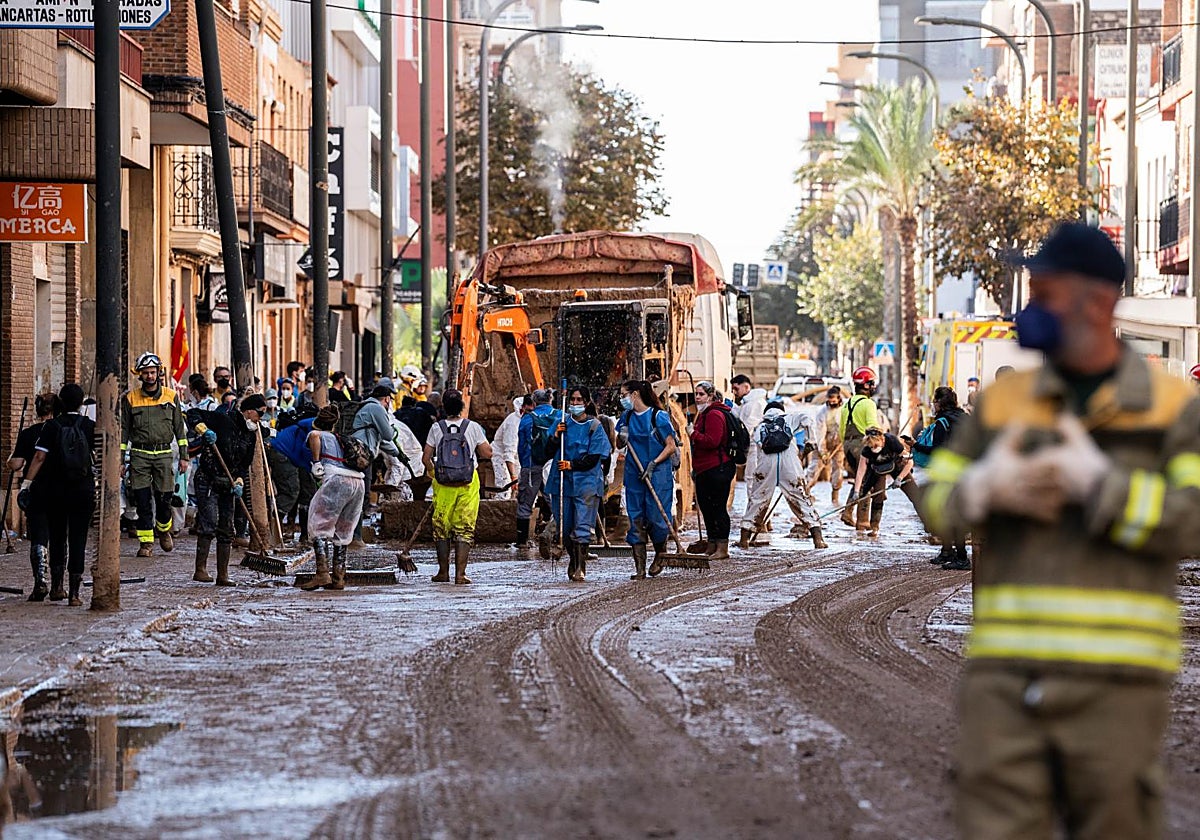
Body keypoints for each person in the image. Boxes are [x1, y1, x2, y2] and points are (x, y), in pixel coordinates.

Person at [916, 222, 1200, 837]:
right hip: (1006, 682)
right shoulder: (1003, 406)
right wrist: (983, 488)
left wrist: (1105, 488)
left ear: (1098, 302)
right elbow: (935, 503)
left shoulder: (1172, 409)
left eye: (1045, 293)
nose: (1029, 310)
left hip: (1118, 688)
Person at [17, 384, 96, 606]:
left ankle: (56, 587)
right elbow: (99, 456)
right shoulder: (91, 426)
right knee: (79, 538)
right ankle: (75, 594)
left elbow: (39, 458)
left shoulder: (51, 426)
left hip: (56, 491)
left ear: (61, 401)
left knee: (58, 537)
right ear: (81, 403)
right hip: (83, 490)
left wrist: (27, 484)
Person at [186, 394, 267, 585]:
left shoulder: (250, 435)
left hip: (228, 483)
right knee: (209, 524)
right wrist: (202, 429)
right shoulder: (223, 419)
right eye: (259, 414)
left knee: (227, 528)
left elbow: (243, 464)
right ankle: (201, 570)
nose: (260, 419)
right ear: (248, 411)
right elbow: (192, 413)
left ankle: (223, 575)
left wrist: (239, 481)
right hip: (208, 478)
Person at [123, 352, 189, 557]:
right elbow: (124, 430)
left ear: (159, 373)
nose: (150, 376)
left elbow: (180, 428)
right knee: (142, 501)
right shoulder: (131, 398)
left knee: (164, 499)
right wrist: (120, 458)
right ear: (140, 375)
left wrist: (184, 456)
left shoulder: (171, 396)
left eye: (153, 372)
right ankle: (146, 543)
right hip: (139, 455)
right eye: (146, 373)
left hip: (163, 454)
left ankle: (163, 530)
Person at [423, 390, 492, 584]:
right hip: (468, 483)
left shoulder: (437, 428)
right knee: (464, 527)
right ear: (462, 406)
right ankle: (460, 574)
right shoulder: (473, 427)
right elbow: (487, 452)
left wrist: (434, 474)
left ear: (443, 407)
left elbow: (425, 458)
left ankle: (443, 572)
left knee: (441, 527)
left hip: (443, 484)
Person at [739, 400, 826, 550]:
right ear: (782, 411)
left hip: (766, 465)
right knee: (802, 499)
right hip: (790, 465)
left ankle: (744, 540)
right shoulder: (789, 418)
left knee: (757, 499)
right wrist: (810, 441)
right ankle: (818, 540)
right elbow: (807, 418)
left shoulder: (759, 426)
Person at [545, 386, 612, 581]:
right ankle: (572, 559)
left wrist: (572, 465)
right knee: (565, 525)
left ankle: (580, 566)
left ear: (587, 402)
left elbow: (594, 458)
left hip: (586, 483)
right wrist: (556, 436)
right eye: (572, 400)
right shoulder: (561, 423)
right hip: (562, 483)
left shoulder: (594, 427)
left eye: (579, 400)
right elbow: (546, 452)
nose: (574, 404)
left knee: (582, 525)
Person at [615, 380, 678, 579]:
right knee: (636, 518)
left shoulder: (658, 417)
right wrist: (622, 436)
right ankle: (639, 569)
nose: (621, 399)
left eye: (624, 394)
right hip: (634, 474)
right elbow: (619, 444)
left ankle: (660, 553)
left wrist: (654, 463)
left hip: (658, 474)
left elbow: (671, 446)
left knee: (657, 518)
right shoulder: (626, 417)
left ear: (635, 394)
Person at [300, 403, 367, 591]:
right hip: (357, 483)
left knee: (318, 524)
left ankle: (322, 574)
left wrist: (315, 462)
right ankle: (339, 577)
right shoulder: (341, 438)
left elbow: (314, 436)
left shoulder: (319, 434)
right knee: (344, 529)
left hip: (337, 480)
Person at [910, 386, 969, 569]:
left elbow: (937, 451)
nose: (933, 405)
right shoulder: (963, 418)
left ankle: (961, 557)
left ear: (940, 403)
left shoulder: (943, 422)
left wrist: (915, 445)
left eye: (934, 402)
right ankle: (947, 551)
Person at [7, 393, 57, 601]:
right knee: (59, 537)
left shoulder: (28, 434)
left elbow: (16, 464)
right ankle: (59, 584)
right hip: (61, 489)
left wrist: (10, 459)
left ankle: (41, 580)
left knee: (38, 536)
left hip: (36, 489)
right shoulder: (62, 430)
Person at [689, 381, 736, 559]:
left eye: (701, 394)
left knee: (718, 507)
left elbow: (712, 441)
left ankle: (722, 548)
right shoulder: (704, 414)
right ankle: (712, 544)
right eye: (696, 394)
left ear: (710, 396)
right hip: (704, 468)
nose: (697, 397)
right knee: (706, 508)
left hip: (718, 468)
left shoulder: (715, 414)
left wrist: (693, 434)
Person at [516, 388, 561, 551]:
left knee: (525, 504)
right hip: (554, 466)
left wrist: (524, 467)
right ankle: (556, 537)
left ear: (534, 402)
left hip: (531, 465)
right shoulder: (560, 415)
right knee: (555, 502)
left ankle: (522, 541)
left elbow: (521, 445)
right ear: (550, 400)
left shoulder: (528, 419)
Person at [850, 427, 912, 536]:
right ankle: (874, 528)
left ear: (882, 439)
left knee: (914, 494)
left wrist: (899, 478)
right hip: (878, 470)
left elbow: (910, 462)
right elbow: (860, 472)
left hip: (897, 466)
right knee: (879, 496)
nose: (873, 448)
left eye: (875, 445)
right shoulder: (866, 450)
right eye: (871, 446)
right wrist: (856, 491)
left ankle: (931, 526)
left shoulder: (892, 441)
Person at [839, 366, 879, 527]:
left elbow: (841, 430)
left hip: (848, 445)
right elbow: (872, 427)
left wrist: (845, 447)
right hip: (862, 445)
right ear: (867, 385)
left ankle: (848, 512)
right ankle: (862, 521)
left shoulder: (846, 404)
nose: (873, 387)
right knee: (866, 482)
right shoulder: (868, 404)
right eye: (872, 383)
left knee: (859, 480)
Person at [729, 373, 767, 513]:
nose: (735, 392)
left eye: (736, 389)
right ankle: (759, 515)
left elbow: (746, 426)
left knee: (753, 480)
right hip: (752, 447)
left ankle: (756, 515)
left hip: (755, 447)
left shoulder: (755, 404)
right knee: (752, 480)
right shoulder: (749, 403)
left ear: (746, 386)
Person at [808, 387, 847, 504]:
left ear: (839, 398)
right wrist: (823, 452)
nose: (832, 402)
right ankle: (805, 492)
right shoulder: (822, 412)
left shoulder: (845, 410)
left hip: (839, 444)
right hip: (823, 442)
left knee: (838, 470)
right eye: (830, 400)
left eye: (834, 400)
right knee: (814, 469)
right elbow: (820, 433)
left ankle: (835, 498)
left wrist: (843, 441)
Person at [492, 396, 528, 503]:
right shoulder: (513, 424)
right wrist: (513, 476)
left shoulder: (528, 421)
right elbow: (508, 452)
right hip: (501, 456)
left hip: (517, 456)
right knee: (505, 488)